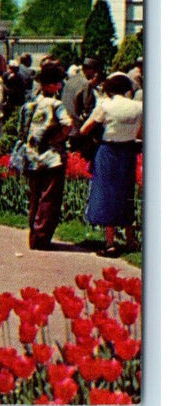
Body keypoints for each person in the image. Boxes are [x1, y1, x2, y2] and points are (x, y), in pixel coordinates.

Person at [80, 72, 142, 257]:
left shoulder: (105, 106)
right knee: (126, 193)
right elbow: (141, 133)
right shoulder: (139, 106)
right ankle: (130, 239)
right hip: (128, 150)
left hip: (108, 150)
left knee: (108, 193)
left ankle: (110, 242)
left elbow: (85, 129)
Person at [17, 60, 73, 251]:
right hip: (52, 157)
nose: (59, 85)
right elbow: (68, 124)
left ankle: (33, 234)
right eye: (57, 82)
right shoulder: (56, 104)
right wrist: (59, 138)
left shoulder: (29, 104)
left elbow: (21, 130)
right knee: (49, 197)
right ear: (52, 84)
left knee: (34, 197)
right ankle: (42, 238)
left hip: (32, 156)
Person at [62, 57, 101, 161]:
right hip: (78, 129)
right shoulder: (85, 84)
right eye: (95, 71)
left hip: (65, 125)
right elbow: (88, 109)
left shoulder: (70, 80)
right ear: (90, 69)